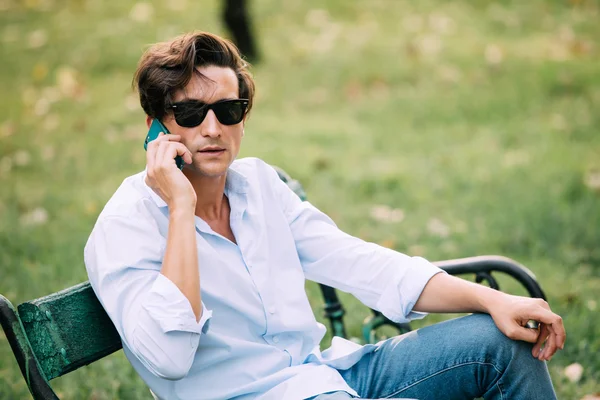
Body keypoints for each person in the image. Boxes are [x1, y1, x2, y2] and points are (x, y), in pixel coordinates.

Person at [84, 31, 566, 400]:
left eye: (228, 109)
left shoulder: (258, 186)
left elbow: (361, 263)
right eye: (189, 113)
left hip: (327, 374)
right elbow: (169, 358)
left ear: (244, 118)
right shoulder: (125, 227)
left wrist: (492, 301)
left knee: (501, 346)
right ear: (155, 129)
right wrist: (181, 211)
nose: (212, 128)